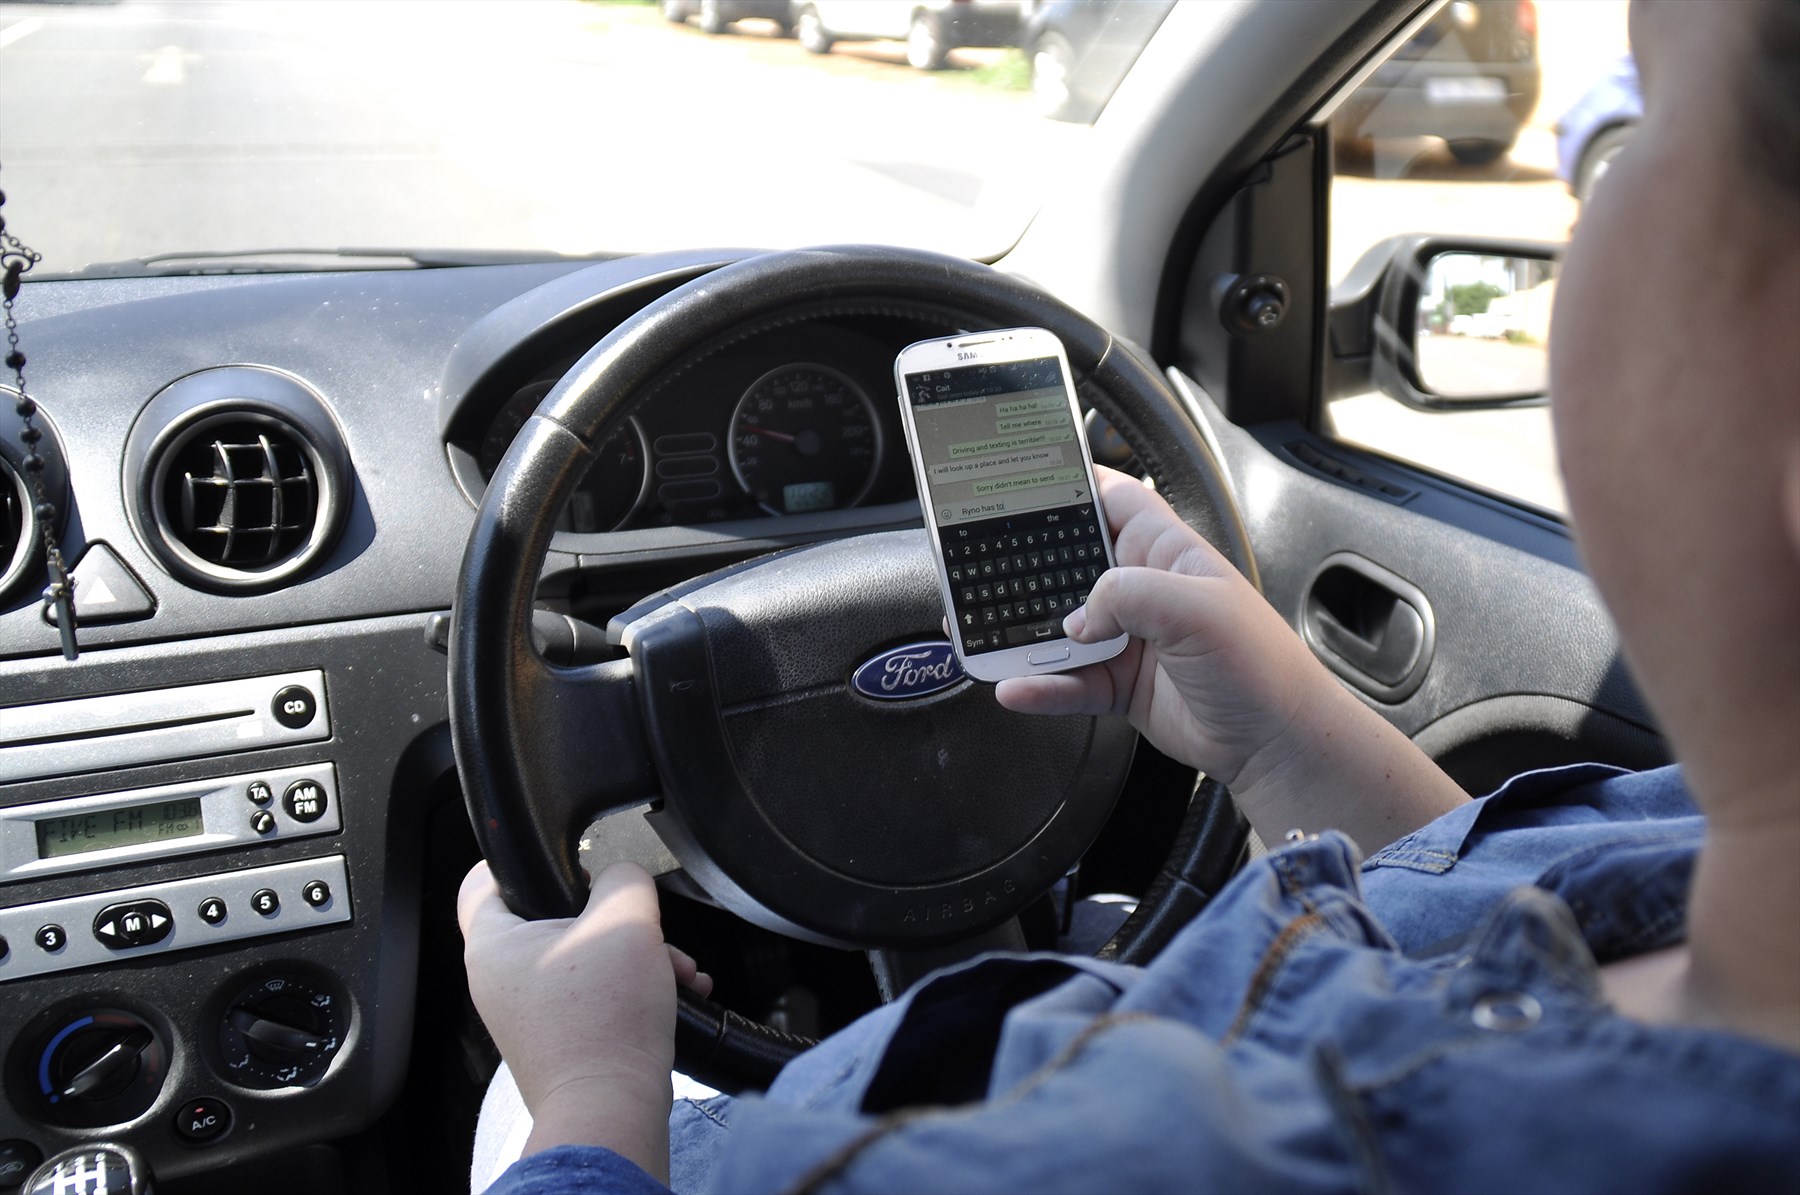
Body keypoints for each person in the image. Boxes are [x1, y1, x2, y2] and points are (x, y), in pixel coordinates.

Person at [457, 1, 1800, 1189]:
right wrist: (1282, 736)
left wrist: (592, 1092)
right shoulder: (1708, 845)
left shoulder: (1160, 1161)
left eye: (1641, 123)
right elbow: (1485, 917)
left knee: (517, 1100)